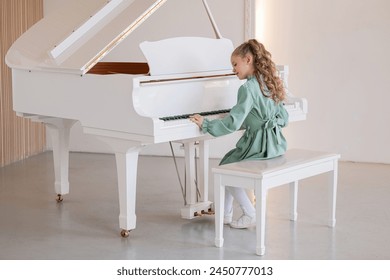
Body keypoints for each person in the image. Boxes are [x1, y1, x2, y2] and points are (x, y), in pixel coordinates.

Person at [190, 39, 289, 229]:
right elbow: (283, 117)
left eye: (235, 64)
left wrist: (207, 123)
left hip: (258, 145)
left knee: (226, 167)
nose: (233, 69)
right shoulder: (269, 82)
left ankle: (250, 212)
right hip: (275, 144)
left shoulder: (248, 88)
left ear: (248, 59)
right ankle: (225, 214)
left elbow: (233, 123)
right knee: (227, 163)